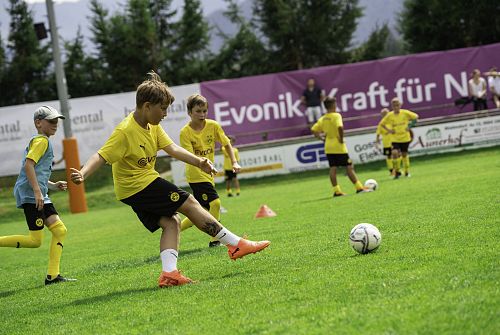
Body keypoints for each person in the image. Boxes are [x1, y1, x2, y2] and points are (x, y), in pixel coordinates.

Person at [70, 72, 270, 287]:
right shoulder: (125, 131)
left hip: (134, 188)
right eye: (162, 108)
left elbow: (171, 148)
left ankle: (169, 274)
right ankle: (236, 244)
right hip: (138, 185)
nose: (165, 114)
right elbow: (101, 155)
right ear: (147, 106)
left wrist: (199, 162)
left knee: (171, 222)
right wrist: (83, 173)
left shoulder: (152, 125)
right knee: (190, 203)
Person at [0, 106, 76, 285]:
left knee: (59, 230)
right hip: (33, 195)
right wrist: (36, 192)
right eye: (51, 120)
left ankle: (53, 276)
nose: (55, 124)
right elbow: (28, 166)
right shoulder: (41, 141)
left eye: (56, 120)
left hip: (40, 194)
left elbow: (38, 172)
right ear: (38, 123)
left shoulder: (43, 141)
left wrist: (52, 186)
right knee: (35, 241)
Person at [179, 94, 241, 248]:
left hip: (208, 174)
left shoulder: (213, 126)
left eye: (204, 111)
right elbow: (189, 156)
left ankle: (174, 227)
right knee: (215, 203)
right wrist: (203, 163)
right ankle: (215, 240)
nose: (202, 115)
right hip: (195, 174)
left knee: (203, 210)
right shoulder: (185, 132)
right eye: (198, 111)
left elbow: (227, 144)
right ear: (189, 112)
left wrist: (234, 161)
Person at [311, 97, 371, 197]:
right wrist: (341, 139)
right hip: (338, 146)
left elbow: (313, 129)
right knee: (349, 167)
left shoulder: (323, 118)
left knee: (333, 168)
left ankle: (337, 191)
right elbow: (340, 127)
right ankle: (359, 188)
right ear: (334, 105)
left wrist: (321, 138)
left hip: (328, 146)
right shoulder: (336, 115)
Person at [380, 98, 419, 178]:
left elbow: (416, 117)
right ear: (392, 106)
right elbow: (382, 124)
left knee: (404, 155)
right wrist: (389, 130)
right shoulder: (389, 115)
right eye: (394, 106)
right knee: (394, 153)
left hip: (405, 138)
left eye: (397, 105)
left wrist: (410, 126)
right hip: (395, 138)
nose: (396, 107)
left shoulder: (405, 113)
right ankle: (397, 171)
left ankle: (406, 172)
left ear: (400, 105)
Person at [375, 108, 393, 175]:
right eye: (384, 114)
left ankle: (397, 169)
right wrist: (376, 143)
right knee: (389, 156)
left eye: (386, 114)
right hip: (386, 143)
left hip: (394, 141)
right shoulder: (381, 124)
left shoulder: (392, 121)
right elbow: (378, 134)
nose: (385, 115)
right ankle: (391, 170)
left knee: (396, 154)